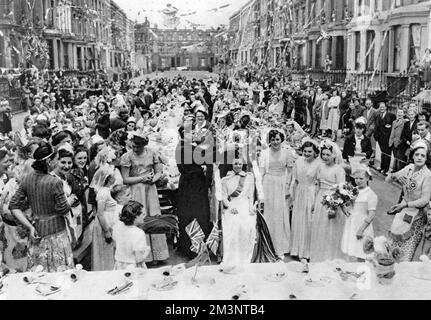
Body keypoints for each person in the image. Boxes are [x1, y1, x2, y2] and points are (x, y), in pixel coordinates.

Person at [9, 142, 74, 272]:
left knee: (39, 274)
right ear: (49, 161)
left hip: (37, 232)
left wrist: (29, 226)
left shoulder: (27, 178)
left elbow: (13, 206)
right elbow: (63, 209)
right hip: (57, 235)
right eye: (56, 159)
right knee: (60, 276)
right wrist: (70, 201)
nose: (57, 163)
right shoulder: (55, 182)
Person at [120, 132, 169, 264]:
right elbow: (125, 179)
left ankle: (157, 254)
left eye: (138, 147)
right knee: (139, 218)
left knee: (153, 216)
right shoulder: (127, 156)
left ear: (144, 145)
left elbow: (159, 171)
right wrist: (142, 178)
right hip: (136, 189)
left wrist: (153, 179)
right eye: (133, 146)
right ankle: (143, 256)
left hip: (150, 189)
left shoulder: (152, 153)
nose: (135, 149)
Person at [386, 143, 431, 261]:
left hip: (416, 216)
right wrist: (395, 176)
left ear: (427, 158)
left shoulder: (427, 175)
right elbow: (388, 179)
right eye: (417, 154)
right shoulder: (409, 168)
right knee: (393, 246)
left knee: (406, 252)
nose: (419, 157)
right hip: (403, 211)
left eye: (423, 155)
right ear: (412, 156)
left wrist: (405, 205)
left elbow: (425, 200)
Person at [175, 123, 212, 258]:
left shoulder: (187, 147)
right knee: (194, 214)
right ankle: (193, 248)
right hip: (192, 185)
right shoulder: (185, 148)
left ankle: (192, 245)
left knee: (192, 214)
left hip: (191, 183)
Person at [260, 129, 296, 259]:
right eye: (273, 139)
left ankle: (281, 247)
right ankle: (267, 244)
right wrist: (260, 190)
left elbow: (291, 172)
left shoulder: (287, 153)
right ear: (270, 140)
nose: (275, 142)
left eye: (277, 139)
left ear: (281, 139)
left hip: (281, 184)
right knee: (269, 213)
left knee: (281, 214)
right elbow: (261, 172)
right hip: (268, 184)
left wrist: (287, 187)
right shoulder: (264, 153)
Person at [310, 140, 346, 262]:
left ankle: (329, 258)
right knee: (319, 228)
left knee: (330, 230)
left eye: (328, 155)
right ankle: (317, 257)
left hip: (332, 201)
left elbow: (341, 190)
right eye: (323, 154)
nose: (325, 157)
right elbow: (317, 186)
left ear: (334, 155)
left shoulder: (339, 170)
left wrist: (334, 206)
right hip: (321, 198)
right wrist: (314, 203)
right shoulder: (320, 167)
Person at [220, 155, 256, 266]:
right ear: (232, 165)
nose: (238, 166)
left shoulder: (249, 177)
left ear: (243, 165)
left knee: (247, 223)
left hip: (245, 205)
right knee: (233, 222)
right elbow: (224, 198)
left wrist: (251, 207)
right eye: (235, 163)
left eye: (240, 164)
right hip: (233, 205)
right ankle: (232, 258)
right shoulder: (225, 180)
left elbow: (250, 196)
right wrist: (230, 207)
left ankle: (244, 257)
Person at [289, 140, 320, 262]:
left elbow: (319, 183)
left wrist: (316, 200)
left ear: (315, 152)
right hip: (300, 192)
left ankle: (306, 252)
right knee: (298, 219)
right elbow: (295, 180)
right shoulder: (298, 161)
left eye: (310, 152)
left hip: (311, 192)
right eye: (305, 151)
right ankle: (296, 250)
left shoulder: (318, 164)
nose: (307, 154)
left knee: (308, 221)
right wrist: (292, 196)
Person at [341, 168, 377, 261]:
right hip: (352, 223)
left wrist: (361, 230)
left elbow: (371, 214)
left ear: (367, 179)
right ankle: (356, 270)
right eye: (356, 178)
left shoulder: (371, 194)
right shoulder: (353, 191)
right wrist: (345, 209)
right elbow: (349, 206)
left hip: (362, 225)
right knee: (353, 250)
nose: (358, 181)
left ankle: (364, 271)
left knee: (362, 252)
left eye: (361, 178)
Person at [112, 201, 150, 270]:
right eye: (143, 214)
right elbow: (138, 259)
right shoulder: (139, 233)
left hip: (119, 266)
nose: (145, 216)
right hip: (133, 268)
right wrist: (147, 251)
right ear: (136, 216)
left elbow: (115, 246)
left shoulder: (116, 227)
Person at [374, 102, 396, 175]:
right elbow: (376, 126)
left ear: (386, 107)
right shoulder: (377, 116)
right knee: (383, 153)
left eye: (383, 107)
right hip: (380, 138)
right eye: (380, 107)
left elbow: (393, 126)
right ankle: (382, 167)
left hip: (387, 138)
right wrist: (376, 136)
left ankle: (386, 169)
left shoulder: (391, 115)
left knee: (387, 153)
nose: (382, 108)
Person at [389, 108, 408, 172]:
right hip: (393, 142)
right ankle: (395, 170)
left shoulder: (405, 121)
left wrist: (400, 141)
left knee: (400, 158)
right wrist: (390, 141)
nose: (399, 114)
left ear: (404, 114)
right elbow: (392, 132)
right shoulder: (394, 122)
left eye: (401, 112)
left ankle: (398, 172)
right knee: (395, 157)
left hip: (400, 142)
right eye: (398, 112)